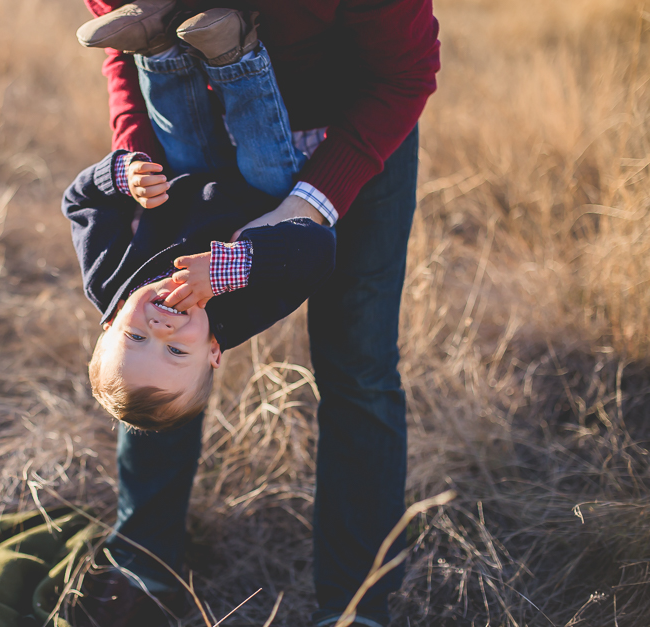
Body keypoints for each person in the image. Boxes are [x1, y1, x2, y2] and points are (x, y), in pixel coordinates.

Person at [73, 1, 441, 626]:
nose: (157, 327)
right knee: (150, 383)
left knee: (359, 364)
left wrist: (304, 208)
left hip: (353, 124)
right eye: (137, 332)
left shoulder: (163, 295)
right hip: (194, 130)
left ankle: (355, 608)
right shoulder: (141, 318)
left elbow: (403, 73)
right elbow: (122, 44)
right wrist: (138, 159)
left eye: (138, 332)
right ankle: (144, 566)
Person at [62, 11, 336, 434]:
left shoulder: (106, 281)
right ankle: (233, 53)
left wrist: (122, 176)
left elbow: (80, 203)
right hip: (264, 191)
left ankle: (157, 48)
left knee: (180, 141)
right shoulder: (241, 314)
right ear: (214, 353)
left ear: (110, 324)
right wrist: (238, 265)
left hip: (187, 171)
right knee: (265, 165)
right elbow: (320, 252)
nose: (160, 328)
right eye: (175, 351)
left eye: (136, 338)